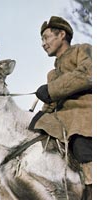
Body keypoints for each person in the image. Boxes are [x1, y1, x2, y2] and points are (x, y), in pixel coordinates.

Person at [29, 16, 92, 199]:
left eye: (46, 37)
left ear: (62, 34)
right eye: (42, 40)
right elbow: (52, 102)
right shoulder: (52, 74)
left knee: (81, 145)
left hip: (85, 116)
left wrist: (52, 89)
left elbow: (89, 72)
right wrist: (35, 118)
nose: (43, 43)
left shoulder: (83, 50)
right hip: (62, 122)